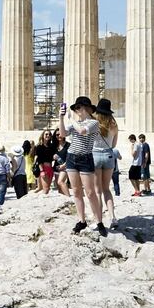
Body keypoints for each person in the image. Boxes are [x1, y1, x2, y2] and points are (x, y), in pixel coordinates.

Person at [61, 96, 107, 237]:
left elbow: (82, 131)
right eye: (75, 108)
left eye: (78, 107)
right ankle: (81, 221)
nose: (76, 110)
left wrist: (71, 120)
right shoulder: (74, 123)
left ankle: (99, 221)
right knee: (76, 191)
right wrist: (60, 118)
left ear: (86, 108)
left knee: (90, 192)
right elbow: (63, 134)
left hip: (86, 158)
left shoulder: (94, 123)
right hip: (71, 157)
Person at [92, 99, 119, 229]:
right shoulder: (114, 125)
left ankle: (99, 220)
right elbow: (114, 145)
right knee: (107, 189)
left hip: (95, 155)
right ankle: (113, 217)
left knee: (97, 191)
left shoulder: (94, 124)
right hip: (109, 155)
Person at [33, 130, 56, 194]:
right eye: (46, 134)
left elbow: (52, 158)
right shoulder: (39, 146)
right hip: (43, 168)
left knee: (47, 188)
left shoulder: (51, 146)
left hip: (50, 168)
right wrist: (42, 170)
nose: (48, 135)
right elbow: (39, 159)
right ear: (43, 135)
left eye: (49, 134)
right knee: (45, 188)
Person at [52, 129, 71, 196]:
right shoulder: (54, 146)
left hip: (65, 167)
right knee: (59, 188)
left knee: (60, 182)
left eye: (60, 134)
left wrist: (63, 165)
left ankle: (69, 197)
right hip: (57, 168)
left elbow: (70, 157)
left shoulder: (68, 145)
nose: (59, 136)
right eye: (57, 134)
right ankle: (65, 200)